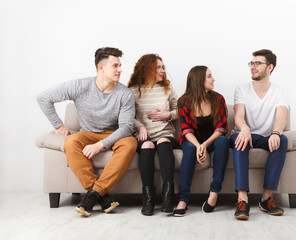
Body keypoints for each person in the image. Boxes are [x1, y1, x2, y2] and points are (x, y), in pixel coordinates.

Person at [37, 47, 137, 217]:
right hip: (87, 133)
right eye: (115, 66)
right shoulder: (80, 86)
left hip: (113, 134)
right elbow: (44, 98)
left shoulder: (125, 94)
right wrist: (59, 125)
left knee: (130, 142)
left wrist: (100, 145)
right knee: (70, 142)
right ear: (101, 68)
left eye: (120, 65)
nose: (120, 70)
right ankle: (100, 194)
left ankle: (93, 195)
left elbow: (126, 128)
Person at [230, 49, 289, 220]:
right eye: (252, 63)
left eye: (257, 63)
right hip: (244, 134)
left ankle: (266, 198)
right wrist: (244, 128)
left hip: (265, 138)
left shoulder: (279, 91)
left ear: (269, 67)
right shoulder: (241, 89)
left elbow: (281, 117)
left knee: (283, 140)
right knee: (240, 140)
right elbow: (239, 116)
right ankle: (242, 199)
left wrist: (276, 133)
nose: (253, 67)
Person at [173, 66, 229, 217]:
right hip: (192, 140)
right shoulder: (183, 101)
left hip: (213, 140)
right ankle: (183, 200)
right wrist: (198, 145)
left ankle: (214, 192)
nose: (213, 79)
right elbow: (185, 129)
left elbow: (222, 127)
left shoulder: (218, 99)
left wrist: (205, 144)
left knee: (223, 141)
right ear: (199, 80)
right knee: (190, 149)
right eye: (210, 76)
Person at [128, 54, 178, 216]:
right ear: (147, 68)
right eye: (158, 67)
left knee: (163, 142)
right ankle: (148, 199)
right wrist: (140, 126)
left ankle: (168, 197)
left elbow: (181, 111)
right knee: (148, 146)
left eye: (163, 67)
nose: (162, 70)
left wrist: (168, 115)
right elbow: (128, 116)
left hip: (165, 133)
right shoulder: (133, 91)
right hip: (144, 136)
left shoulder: (167, 89)